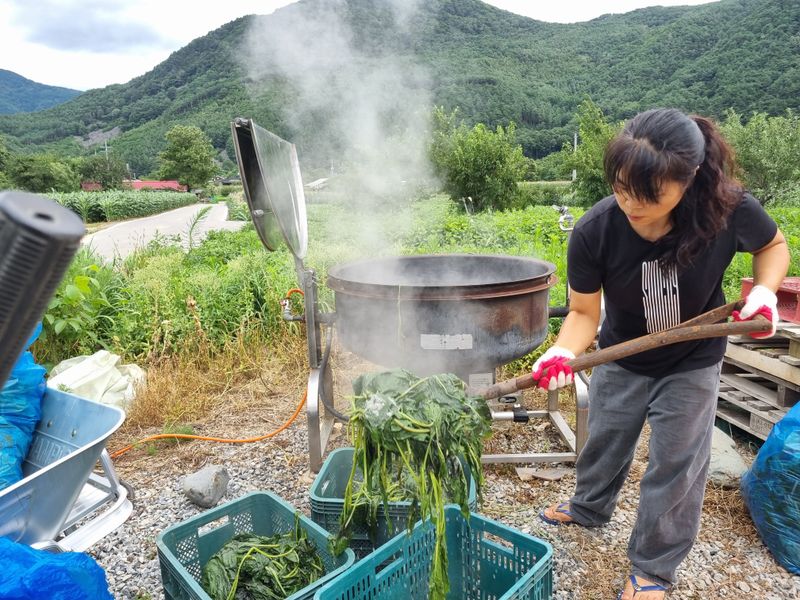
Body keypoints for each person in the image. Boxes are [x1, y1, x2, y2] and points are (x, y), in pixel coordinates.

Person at [531, 108, 790, 600]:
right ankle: (588, 507)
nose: (630, 202)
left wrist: (764, 291)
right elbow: (583, 312)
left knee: (676, 464)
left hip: (693, 359)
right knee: (605, 440)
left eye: (648, 193)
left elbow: (773, 246)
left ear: (688, 179)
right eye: (621, 187)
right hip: (620, 354)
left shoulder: (725, 209)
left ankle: (653, 567)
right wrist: (562, 351)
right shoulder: (595, 230)